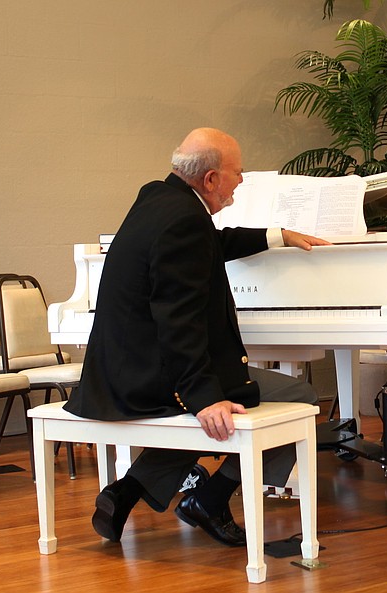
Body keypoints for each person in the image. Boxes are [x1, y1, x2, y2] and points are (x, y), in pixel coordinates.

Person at [65, 127, 329, 546]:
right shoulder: (185, 220)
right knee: (299, 397)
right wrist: (204, 398)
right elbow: (179, 320)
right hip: (152, 376)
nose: (241, 180)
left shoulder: (160, 199)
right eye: (237, 172)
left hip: (122, 370)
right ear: (210, 179)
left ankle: (128, 490)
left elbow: (211, 242)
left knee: (222, 403)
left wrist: (275, 235)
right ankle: (211, 498)